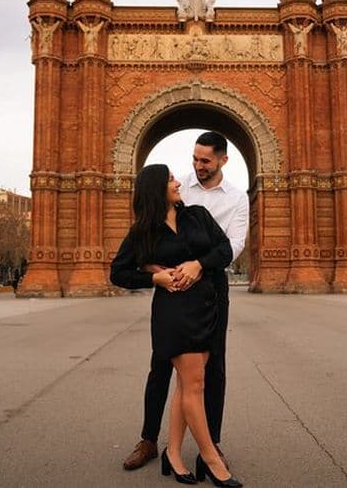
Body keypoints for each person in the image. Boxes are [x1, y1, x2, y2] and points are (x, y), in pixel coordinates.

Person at [122, 132, 248, 474]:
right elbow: (151, 227)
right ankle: (149, 439)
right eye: (195, 159)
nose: (197, 166)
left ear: (222, 159)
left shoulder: (236, 198)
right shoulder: (179, 188)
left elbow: (233, 245)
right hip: (174, 290)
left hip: (211, 283)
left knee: (213, 367)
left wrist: (199, 264)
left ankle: (211, 444)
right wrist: (150, 266)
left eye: (205, 160)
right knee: (162, 364)